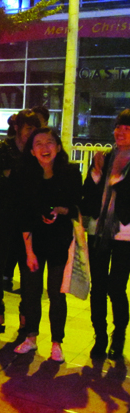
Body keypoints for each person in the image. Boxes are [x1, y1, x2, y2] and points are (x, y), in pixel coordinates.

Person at [14, 127, 82, 363]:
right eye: (39, 144)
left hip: (59, 243)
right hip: (33, 243)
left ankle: (57, 343)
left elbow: (77, 207)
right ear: (32, 151)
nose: (45, 148)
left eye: (50, 142)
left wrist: (60, 210)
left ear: (58, 147)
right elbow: (23, 215)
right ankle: (31, 337)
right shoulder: (26, 176)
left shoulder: (70, 173)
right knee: (31, 291)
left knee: (56, 293)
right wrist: (29, 252)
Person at [0, 110, 40, 336]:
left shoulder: (36, 150)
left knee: (27, 268)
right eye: (28, 128)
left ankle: (25, 318)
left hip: (26, 218)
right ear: (17, 128)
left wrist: (12, 175)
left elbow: (34, 182)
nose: (31, 133)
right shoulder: (2, 147)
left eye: (34, 129)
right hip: (1, 217)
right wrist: (15, 177)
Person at [81, 109, 130, 361]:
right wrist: (96, 173)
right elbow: (88, 194)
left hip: (125, 234)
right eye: (118, 127)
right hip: (98, 231)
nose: (120, 132)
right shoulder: (105, 157)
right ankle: (100, 336)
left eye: (127, 129)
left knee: (116, 287)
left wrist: (115, 179)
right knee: (98, 287)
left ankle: (118, 334)